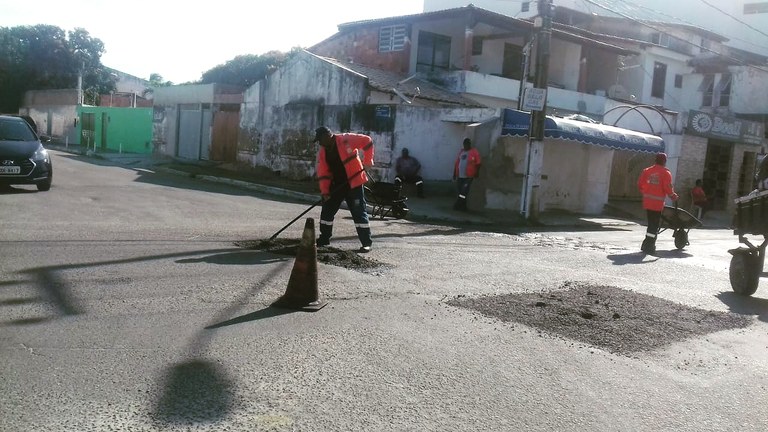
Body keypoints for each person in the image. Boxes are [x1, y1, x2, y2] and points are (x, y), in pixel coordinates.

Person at [314, 126, 375, 253]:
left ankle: (366, 243)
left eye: (320, 140)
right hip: (337, 185)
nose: (319, 143)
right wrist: (325, 191)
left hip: (354, 183)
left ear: (327, 136)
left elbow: (367, 141)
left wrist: (368, 160)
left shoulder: (346, 139)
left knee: (359, 212)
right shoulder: (323, 151)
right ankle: (324, 239)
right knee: (327, 210)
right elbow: (323, 173)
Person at [637, 152, 679, 254]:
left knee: (651, 224)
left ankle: (646, 244)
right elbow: (667, 188)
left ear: (655, 160)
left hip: (647, 202)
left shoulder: (647, 171)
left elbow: (640, 185)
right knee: (654, 225)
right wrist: (673, 196)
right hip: (657, 204)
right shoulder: (665, 173)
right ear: (664, 161)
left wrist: (647, 192)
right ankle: (649, 246)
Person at [452, 138, 482, 211]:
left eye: (468, 144)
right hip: (460, 176)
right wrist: (454, 173)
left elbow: (478, 163)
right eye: (465, 144)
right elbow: (457, 163)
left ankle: (457, 205)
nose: (466, 145)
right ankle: (463, 206)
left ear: (469, 144)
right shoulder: (461, 152)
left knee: (463, 191)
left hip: (468, 176)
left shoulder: (474, 152)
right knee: (460, 192)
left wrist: (477, 172)